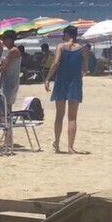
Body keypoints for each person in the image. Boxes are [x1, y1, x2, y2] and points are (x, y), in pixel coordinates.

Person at [45, 24, 89, 154]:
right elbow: (85, 70)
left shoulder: (60, 47)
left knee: (59, 115)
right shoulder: (83, 49)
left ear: (67, 35)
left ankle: (57, 143)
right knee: (72, 117)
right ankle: (70, 147)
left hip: (61, 82)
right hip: (75, 82)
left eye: (64, 35)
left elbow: (56, 63)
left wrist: (48, 78)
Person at [0, 30, 22, 147]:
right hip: (8, 82)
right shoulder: (11, 51)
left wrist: (0, 65)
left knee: (6, 111)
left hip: (9, 84)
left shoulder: (13, 51)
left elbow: (4, 68)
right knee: (6, 110)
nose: (3, 41)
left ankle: (8, 138)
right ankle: (7, 137)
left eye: (5, 39)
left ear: (10, 39)